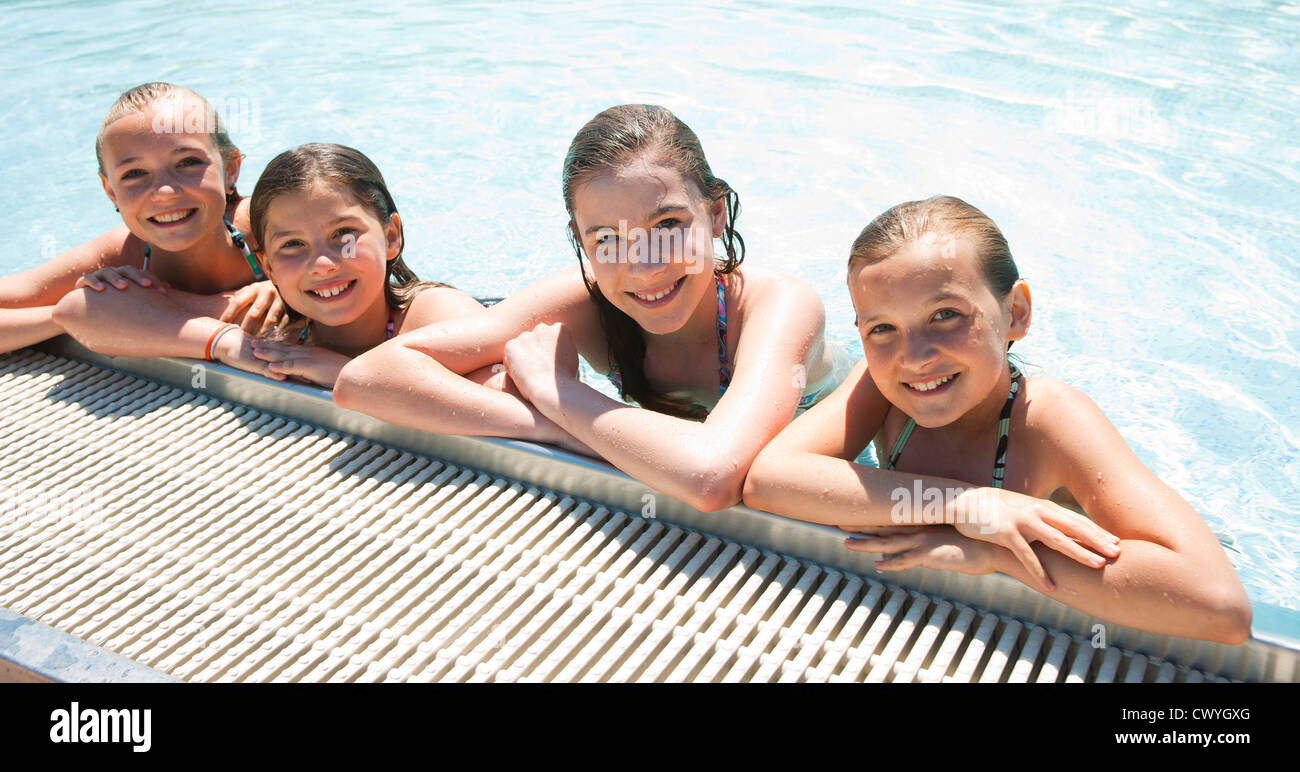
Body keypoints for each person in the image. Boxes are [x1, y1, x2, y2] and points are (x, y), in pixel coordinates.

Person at [742, 196, 1251, 643]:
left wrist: (999, 554)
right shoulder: (883, 384)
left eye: (946, 315)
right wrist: (969, 505)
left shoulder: (1051, 419)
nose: (914, 356)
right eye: (882, 328)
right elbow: (768, 480)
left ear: (1016, 313)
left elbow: (1220, 605)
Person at [335, 105, 847, 511]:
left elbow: (711, 478)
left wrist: (557, 394)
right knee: (492, 380)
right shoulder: (586, 299)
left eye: (667, 226)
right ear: (580, 243)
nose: (643, 268)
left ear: (714, 215)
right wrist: (545, 420)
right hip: (677, 465)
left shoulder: (779, 305)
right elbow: (365, 379)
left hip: (865, 457)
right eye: (607, 239)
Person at [5, 83, 278, 358]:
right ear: (111, 192)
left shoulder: (273, 227)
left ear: (230, 170)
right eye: (134, 173)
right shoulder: (121, 254)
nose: (164, 192)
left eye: (187, 163)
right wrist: (84, 313)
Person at [240, 143, 487, 388]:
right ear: (269, 267)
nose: (323, 264)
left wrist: (348, 375)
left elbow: (510, 406)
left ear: (391, 236)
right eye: (293, 244)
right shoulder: (276, 333)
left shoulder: (439, 316)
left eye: (343, 233)